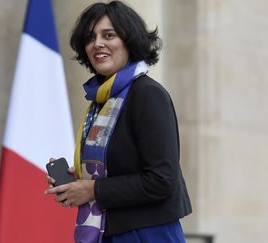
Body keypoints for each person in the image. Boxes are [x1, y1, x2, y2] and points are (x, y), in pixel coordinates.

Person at [44, 1, 192, 242]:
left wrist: (91, 190)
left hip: (146, 234)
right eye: (90, 37)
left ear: (129, 41)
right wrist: (79, 182)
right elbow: (116, 168)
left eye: (108, 35)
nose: (97, 44)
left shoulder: (147, 94)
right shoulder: (101, 100)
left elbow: (162, 181)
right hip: (108, 231)